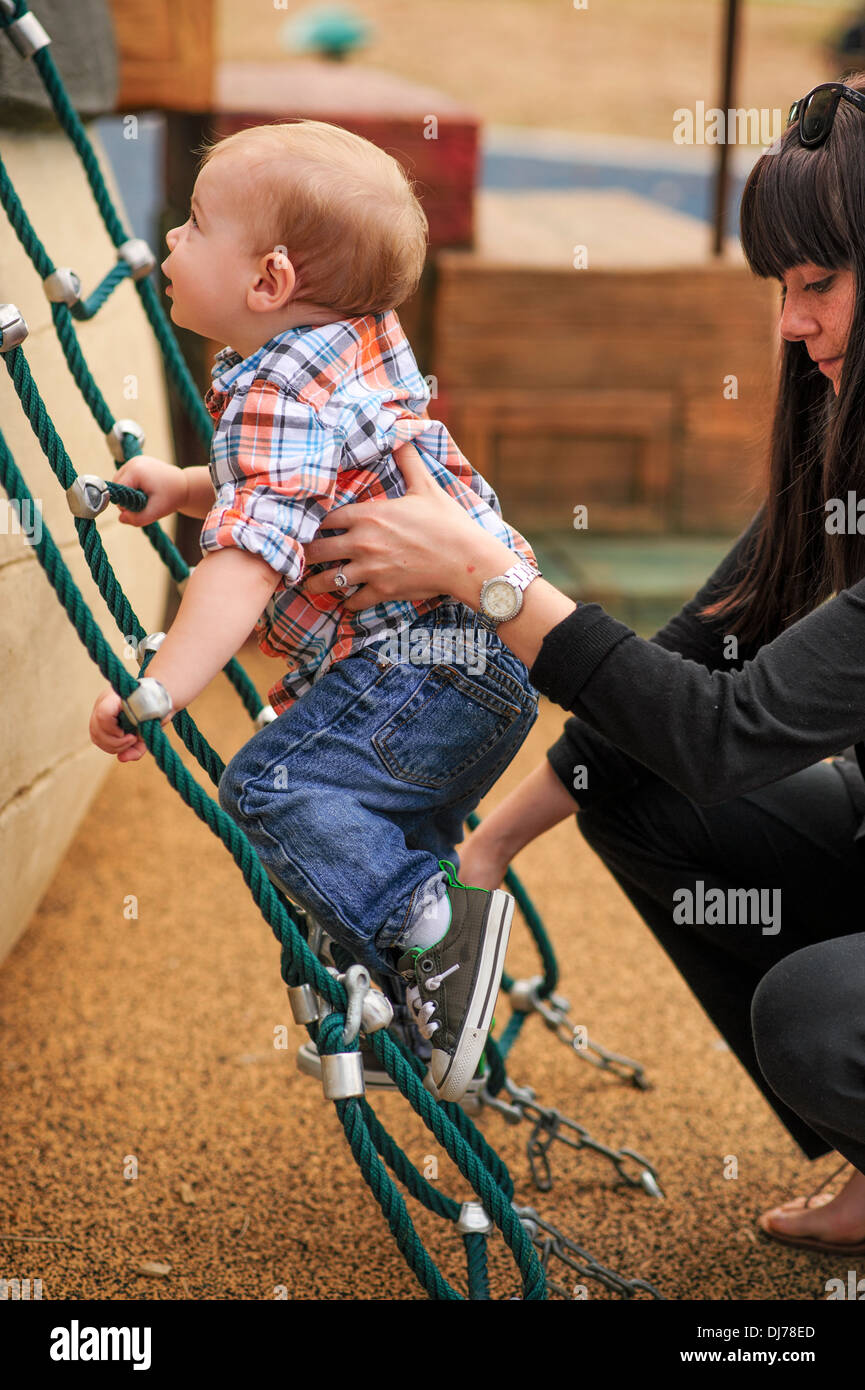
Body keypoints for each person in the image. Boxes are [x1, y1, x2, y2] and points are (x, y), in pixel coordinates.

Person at [298, 76, 865, 1255]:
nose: (788, 324)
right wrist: (484, 854)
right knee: (636, 783)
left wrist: (483, 576)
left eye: (817, 284)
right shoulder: (839, 434)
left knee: (813, 1019)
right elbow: (701, 647)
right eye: (779, 288)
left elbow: (728, 729)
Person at [87, 118, 542, 1104]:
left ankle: (434, 924)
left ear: (268, 281)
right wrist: (181, 483)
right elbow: (297, 495)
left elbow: (249, 560)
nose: (168, 238)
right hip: (482, 666)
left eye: (194, 224)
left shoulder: (272, 390)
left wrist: (159, 686)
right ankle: (414, 1013)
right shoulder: (344, 345)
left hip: (419, 668)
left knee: (271, 786)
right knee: (365, 831)